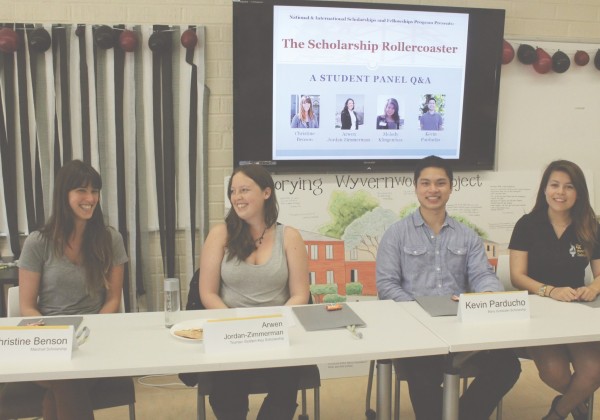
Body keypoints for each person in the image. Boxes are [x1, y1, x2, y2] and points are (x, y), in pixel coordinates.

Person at [376, 155, 521, 420]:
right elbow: (387, 285)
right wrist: (419, 311)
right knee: (422, 374)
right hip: (417, 332)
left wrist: (487, 297)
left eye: (441, 183)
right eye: (426, 183)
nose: (433, 190)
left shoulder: (467, 236)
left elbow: (483, 275)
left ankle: (463, 415)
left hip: (463, 329)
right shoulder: (395, 234)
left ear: (451, 188)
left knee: (507, 365)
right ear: (416, 187)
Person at [18, 159, 128, 420]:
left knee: (65, 381)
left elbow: (113, 299)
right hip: (48, 340)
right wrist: (55, 339)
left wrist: (89, 335)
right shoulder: (38, 243)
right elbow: (27, 306)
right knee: (67, 378)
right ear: (64, 194)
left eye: (95, 191)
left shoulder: (110, 239)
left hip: (93, 339)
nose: (90, 198)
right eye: (82, 190)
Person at [199, 164, 310, 420]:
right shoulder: (220, 234)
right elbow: (208, 293)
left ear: (266, 193)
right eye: (233, 191)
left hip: (277, 333)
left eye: (245, 190)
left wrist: (271, 326)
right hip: (230, 332)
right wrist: (238, 326)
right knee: (227, 392)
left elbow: (300, 294)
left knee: (285, 389)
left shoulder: (289, 236)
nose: (237, 197)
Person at [509, 160, 600, 420]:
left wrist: (593, 288)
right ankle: (578, 404)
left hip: (577, 311)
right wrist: (550, 290)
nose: (561, 192)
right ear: (545, 189)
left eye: (569, 187)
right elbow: (517, 276)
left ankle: (557, 413)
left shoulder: (590, 227)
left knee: (593, 370)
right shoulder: (527, 224)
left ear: (579, 192)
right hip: (538, 312)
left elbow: (599, 274)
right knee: (554, 372)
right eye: (555, 185)